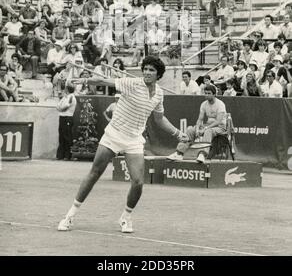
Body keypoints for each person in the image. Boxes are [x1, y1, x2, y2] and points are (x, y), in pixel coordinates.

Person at [58, 56, 187, 233]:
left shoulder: (159, 93)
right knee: (95, 173)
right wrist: (86, 80)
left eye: (152, 70)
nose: (147, 72)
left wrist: (178, 133)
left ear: (158, 75)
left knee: (138, 182)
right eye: (145, 69)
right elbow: (104, 80)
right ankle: (70, 216)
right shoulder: (132, 83)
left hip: (134, 140)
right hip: (114, 134)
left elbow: (159, 119)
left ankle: (125, 217)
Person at [167, 84, 227, 163]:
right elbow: (200, 119)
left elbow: (218, 121)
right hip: (208, 126)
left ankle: (202, 154)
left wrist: (205, 128)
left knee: (208, 131)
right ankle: (179, 153)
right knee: (190, 129)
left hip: (220, 127)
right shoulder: (204, 104)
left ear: (214, 94)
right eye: (205, 93)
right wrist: (197, 128)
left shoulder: (220, 104)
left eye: (209, 93)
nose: (207, 95)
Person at [56, 84, 77, 160]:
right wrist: (60, 108)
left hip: (68, 117)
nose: (64, 90)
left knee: (67, 136)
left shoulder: (71, 97)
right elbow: (58, 106)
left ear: (67, 89)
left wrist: (60, 109)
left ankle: (68, 155)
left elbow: (65, 107)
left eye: (65, 89)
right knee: (61, 136)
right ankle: (60, 155)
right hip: (62, 117)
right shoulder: (65, 97)